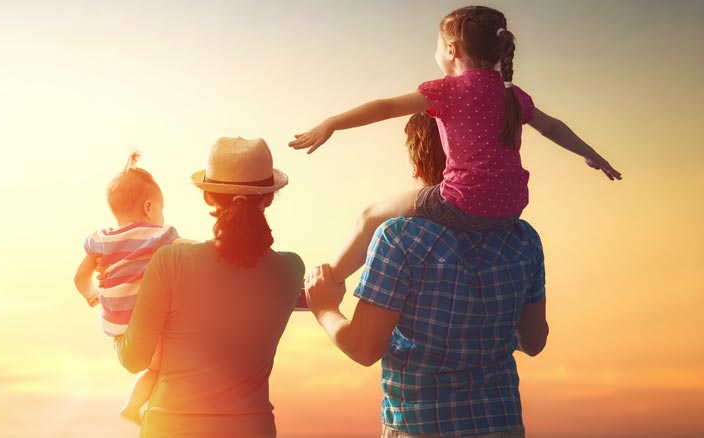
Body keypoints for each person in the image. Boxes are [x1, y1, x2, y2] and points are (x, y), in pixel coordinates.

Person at [289, 5, 621, 285]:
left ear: (451, 50)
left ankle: (326, 282)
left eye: (437, 45)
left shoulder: (447, 90)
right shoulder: (513, 95)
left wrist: (331, 123)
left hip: (463, 202)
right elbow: (551, 127)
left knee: (370, 215)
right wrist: (591, 155)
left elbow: (387, 108)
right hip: (510, 208)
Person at [303, 115, 548, 436]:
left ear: (416, 168)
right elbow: (533, 341)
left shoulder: (399, 237)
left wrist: (325, 310)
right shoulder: (523, 238)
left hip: (420, 426)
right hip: (500, 423)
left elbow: (363, 349)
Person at [114, 137, 305, 437]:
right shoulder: (291, 269)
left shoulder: (170, 262)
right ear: (268, 198)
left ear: (207, 197)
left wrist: (115, 306)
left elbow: (133, 359)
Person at [73, 152, 193, 423]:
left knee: (151, 367)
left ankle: (132, 407)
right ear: (149, 207)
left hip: (116, 328)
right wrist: (219, 244)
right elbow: (190, 248)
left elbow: (80, 277)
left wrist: (92, 294)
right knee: (158, 368)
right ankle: (133, 407)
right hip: (145, 326)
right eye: (162, 209)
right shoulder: (157, 236)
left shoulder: (101, 240)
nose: (162, 216)